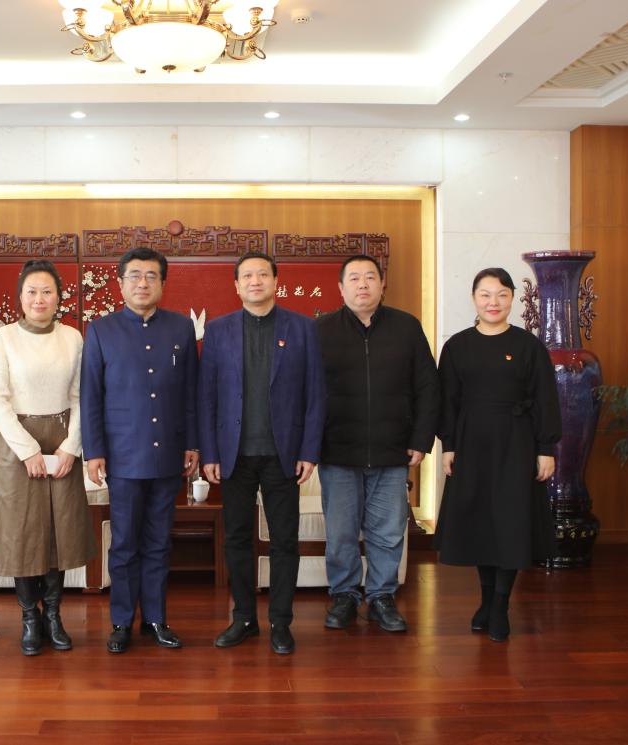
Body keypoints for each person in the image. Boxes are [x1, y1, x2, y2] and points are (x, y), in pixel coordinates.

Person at [198, 251, 325, 655]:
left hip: (283, 454)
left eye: (263, 275)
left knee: (284, 540)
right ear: (236, 285)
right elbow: (207, 396)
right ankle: (244, 619)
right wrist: (209, 453)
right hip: (233, 454)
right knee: (237, 538)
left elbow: (315, 394)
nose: (255, 281)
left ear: (275, 281)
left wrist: (309, 450)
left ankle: (281, 623)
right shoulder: (218, 331)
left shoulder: (302, 328)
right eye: (247, 276)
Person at [81, 247, 199, 654]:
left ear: (162, 283)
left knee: (159, 542)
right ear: (120, 283)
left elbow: (190, 391)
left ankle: (155, 619)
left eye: (151, 276)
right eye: (134, 275)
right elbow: (91, 396)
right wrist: (94, 451)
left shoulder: (180, 328)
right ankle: (120, 622)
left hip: (168, 452)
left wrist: (193, 443)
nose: (143, 283)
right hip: (122, 456)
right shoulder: (101, 330)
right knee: (124, 543)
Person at [436, 267, 561, 642]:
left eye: (502, 295)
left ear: (512, 300)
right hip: (471, 444)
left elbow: (546, 399)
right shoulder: (457, 346)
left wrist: (545, 448)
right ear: (474, 298)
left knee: (510, 522)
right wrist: (448, 445)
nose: (494, 302)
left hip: (516, 443)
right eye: (486, 294)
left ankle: (501, 606)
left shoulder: (528, 346)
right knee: (482, 523)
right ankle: (486, 601)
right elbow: (447, 401)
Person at [316, 254, 439, 633]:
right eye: (354, 278)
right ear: (341, 288)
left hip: (392, 450)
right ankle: (344, 595)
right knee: (341, 533)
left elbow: (427, 387)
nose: (363, 284)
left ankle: (382, 596)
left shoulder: (406, 327)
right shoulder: (320, 330)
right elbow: (304, 393)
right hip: (338, 451)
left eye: (370, 277)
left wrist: (421, 439)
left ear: (382, 284)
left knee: (387, 531)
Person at [0, 259, 96, 656]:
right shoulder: (2, 338)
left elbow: (82, 396)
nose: (39, 299)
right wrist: (28, 450)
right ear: (20, 297)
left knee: (59, 531)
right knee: (23, 532)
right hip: (18, 443)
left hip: (63, 440)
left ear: (58, 297)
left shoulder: (73, 337)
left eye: (47, 291)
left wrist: (71, 446)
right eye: (31, 291)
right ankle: (29, 618)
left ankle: (53, 614)